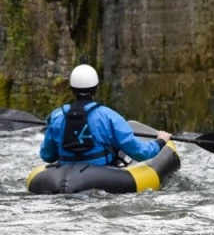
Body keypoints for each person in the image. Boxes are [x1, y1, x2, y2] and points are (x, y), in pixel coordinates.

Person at [39, 64, 172, 166]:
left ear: (72, 90)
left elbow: (47, 156)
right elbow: (139, 152)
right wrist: (160, 141)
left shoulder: (56, 117)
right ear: (96, 90)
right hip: (103, 178)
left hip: (64, 177)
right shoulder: (108, 116)